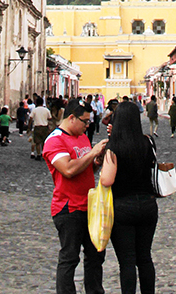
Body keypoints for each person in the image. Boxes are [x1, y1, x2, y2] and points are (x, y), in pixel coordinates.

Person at [43, 100, 109, 294]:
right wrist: (92, 153)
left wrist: (97, 160)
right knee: (69, 258)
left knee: (96, 257)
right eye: (84, 121)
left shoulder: (82, 137)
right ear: (71, 118)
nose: (87, 125)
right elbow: (69, 169)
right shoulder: (55, 140)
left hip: (89, 205)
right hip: (68, 207)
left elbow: (86, 168)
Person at [100, 101, 158, 294]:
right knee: (145, 258)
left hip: (122, 207)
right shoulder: (147, 141)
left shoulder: (114, 147)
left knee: (127, 262)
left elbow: (107, 180)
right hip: (148, 205)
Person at [30, 95, 52, 160]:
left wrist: (29, 127)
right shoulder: (46, 110)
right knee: (44, 142)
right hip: (45, 127)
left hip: (37, 127)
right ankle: (43, 154)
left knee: (37, 142)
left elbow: (31, 118)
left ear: (36, 103)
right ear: (42, 103)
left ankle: (38, 154)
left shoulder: (35, 110)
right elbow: (50, 118)